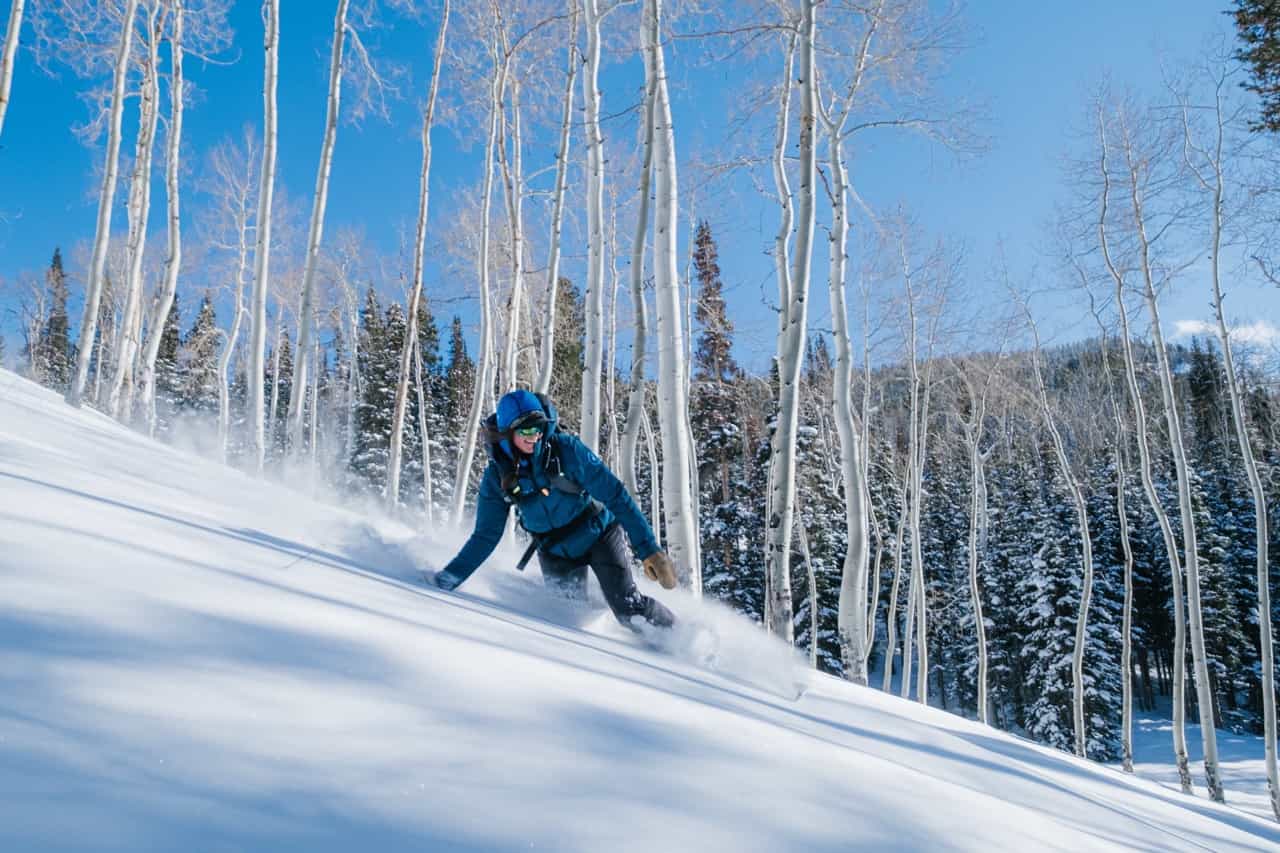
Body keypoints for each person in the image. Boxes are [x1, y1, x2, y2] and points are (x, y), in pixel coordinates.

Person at [433, 389, 678, 631]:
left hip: (599, 536)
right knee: (569, 620)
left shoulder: (566, 451)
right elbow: (486, 535)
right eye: (526, 430)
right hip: (554, 552)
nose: (535, 436)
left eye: (538, 428)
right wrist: (449, 578)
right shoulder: (497, 475)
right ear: (508, 432)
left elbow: (615, 495)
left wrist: (650, 551)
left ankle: (674, 636)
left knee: (627, 610)